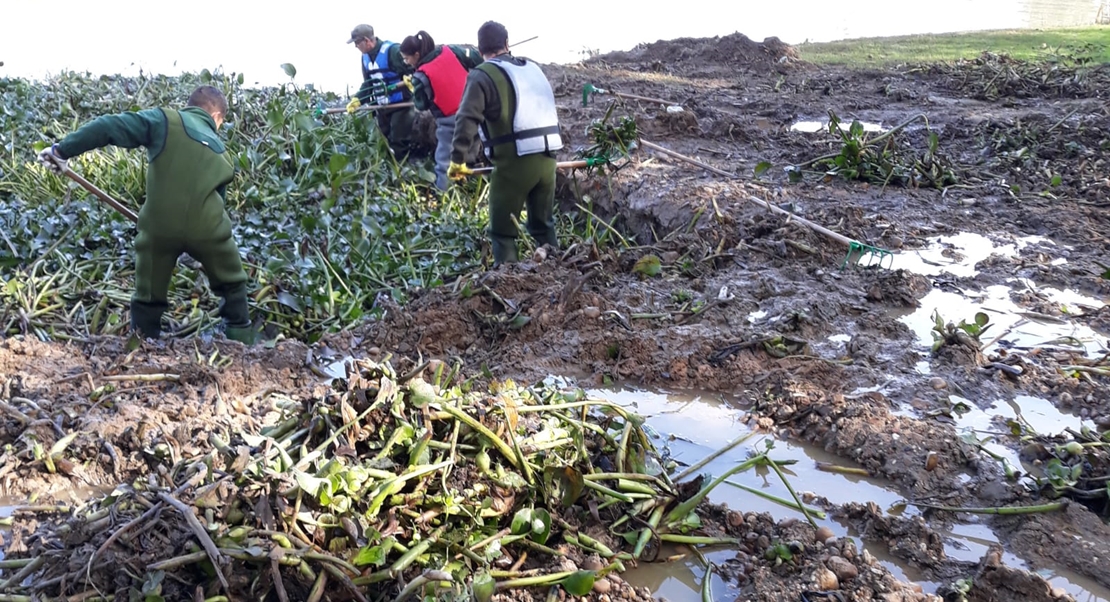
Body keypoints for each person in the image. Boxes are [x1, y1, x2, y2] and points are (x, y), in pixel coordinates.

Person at [37, 86, 258, 344]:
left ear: (189, 105)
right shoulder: (223, 152)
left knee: (148, 295)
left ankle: (142, 345)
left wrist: (62, 150)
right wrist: (198, 245)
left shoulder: (164, 120)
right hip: (210, 231)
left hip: (159, 229)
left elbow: (108, 126)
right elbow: (218, 203)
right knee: (233, 285)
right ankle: (243, 347)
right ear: (218, 116)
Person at [447, 21, 563, 265]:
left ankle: (509, 289)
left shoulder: (481, 75)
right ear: (507, 44)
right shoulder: (532, 68)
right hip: (549, 158)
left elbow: (467, 118)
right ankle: (559, 276)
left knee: (502, 232)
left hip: (514, 164)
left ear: (480, 51)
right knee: (543, 226)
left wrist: (458, 160)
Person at [399, 30, 483, 191]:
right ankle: (470, 189)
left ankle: (444, 196)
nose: (406, 62)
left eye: (406, 58)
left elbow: (421, 105)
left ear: (416, 54)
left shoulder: (420, 76)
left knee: (444, 162)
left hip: (451, 122)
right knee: (470, 155)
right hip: (477, 113)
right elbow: (476, 59)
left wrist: (414, 88)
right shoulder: (451, 50)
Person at [347, 24, 417, 157]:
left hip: (400, 105)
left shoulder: (393, 51)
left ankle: (402, 171)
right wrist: (358, 99)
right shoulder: (365, 57)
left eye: (357, 43)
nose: (356, 46)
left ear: (367, 41)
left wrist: (410, 79)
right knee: (383, 142)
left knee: (398, 142)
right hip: (382, 107)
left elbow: (413, 70)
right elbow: (368, 84)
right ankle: (388, 172)